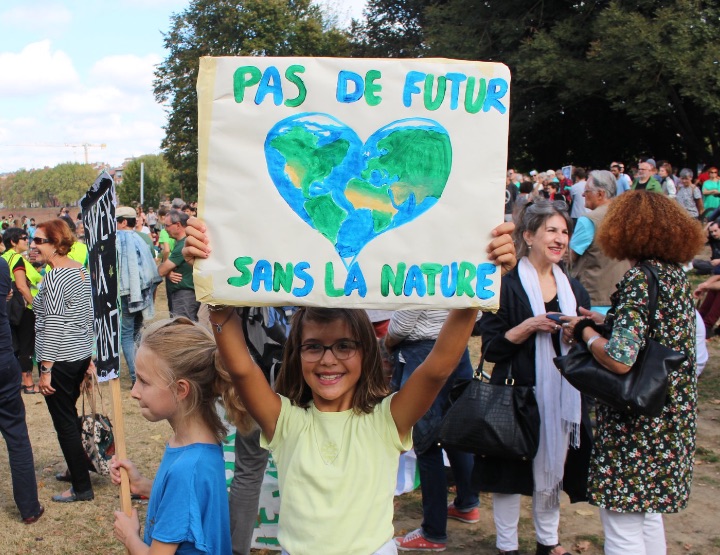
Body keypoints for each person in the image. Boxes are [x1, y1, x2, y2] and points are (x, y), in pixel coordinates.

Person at [182, 219, 516, 555]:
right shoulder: (283, 420)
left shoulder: (388, 420)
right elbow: (242, 370)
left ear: (367, 353)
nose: (329, 359)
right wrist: (216, 286)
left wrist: (478, 289)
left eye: (344, 346)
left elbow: (437, 367)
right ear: (295, 355)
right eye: (314, 347)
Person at [563, 191, 704, 555]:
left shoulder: (640, 279)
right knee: (647, 515)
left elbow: (620, 359)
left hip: (636, 427)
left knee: (623, 524)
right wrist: (606, 322)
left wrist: (584, 332)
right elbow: (657, 337)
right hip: (671, 416)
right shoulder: (674, 278)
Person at [475, 199, 592, 555]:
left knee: (553, 468)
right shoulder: (506, 286)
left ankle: (548, 542)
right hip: (517, 396)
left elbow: (588, 352)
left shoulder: (575, 290)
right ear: (528, 235)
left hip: (562, 398)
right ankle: (507, 546)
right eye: (551, 231)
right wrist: (524, 328)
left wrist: (577, 335)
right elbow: (492, 349)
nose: (560, 239)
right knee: (509, 477)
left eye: (564, 232)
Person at [111, 318, 247, 555]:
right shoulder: (196, 446)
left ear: (181, 389)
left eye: (144, 381)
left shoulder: (188, 468)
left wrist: (129, 536)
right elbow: (187, 504)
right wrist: (142, 484)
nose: (134, 392)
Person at [388, 310, 480, 552]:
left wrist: (385, 344)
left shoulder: (416, 269)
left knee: (427, 443)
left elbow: (401, 325)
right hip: (458, 348)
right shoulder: (465, 268)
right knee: (455, 433)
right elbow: (478, 309)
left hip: (423, 353)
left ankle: (433, 531)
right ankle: (467, 503)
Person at [31, 219, 95, 502]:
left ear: (57, 244)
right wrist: (88, 356)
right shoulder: (78, 271)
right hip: (77, 354)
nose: (33, 246)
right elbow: (84, 315)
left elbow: (55, 324)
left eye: (39, 241)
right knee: (69, 417)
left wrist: (45, 369)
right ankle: (76, 469)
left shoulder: (57, 276)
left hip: (60, 358)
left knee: (65, 422)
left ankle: (81, 487)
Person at [0, 256, 44, 523]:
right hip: (4, 362)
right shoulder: (2, 265)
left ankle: (29, 507)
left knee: (17, 435)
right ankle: (29, 508)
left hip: (5, 359)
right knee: (17, 437)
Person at [569, 171, 630, 314]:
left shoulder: (589, 220)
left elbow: (569, 257)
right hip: (624, 295)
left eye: (587, 191)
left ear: (601, 194)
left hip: (594, 297)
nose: (583, 195)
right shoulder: (628, 215)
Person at [116, 206, 162, 386]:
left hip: (128, 294)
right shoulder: (143, 238)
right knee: (136, 334)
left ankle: (137, 376)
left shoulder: (117, 240)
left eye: (116, 221)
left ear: (124, 222)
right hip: (144, 294)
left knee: (127, 335)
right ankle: (143, 373)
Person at [2, 227, 43, 393]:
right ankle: (28, 383)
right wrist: (35, 304)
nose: (27, 240)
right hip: (23, 308)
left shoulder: (4, 258)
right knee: (26, 344)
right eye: (24, 238)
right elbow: (21, 285)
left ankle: (17, 379)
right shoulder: (17, 259)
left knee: (14, 344)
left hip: (8, 307)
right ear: (13, 242)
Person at [159, 210, 199, 321]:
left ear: (177, 225)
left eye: (167, 226)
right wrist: (169, 273)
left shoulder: (183, 245)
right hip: (185, 295)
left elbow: (161, 270)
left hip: (185, 296)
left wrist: (166, 272)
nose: (165, 229)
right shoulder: (184, 242)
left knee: (184, 329)